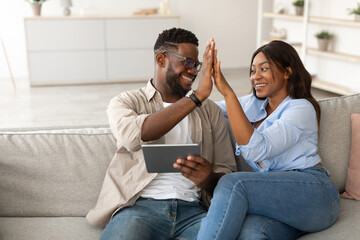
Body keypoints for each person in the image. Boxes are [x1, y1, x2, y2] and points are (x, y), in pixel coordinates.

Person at [86, 28, 237, 240]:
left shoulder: (210, 111)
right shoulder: (126, 102)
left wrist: (209, 179)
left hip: (194, 212)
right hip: (139, 209)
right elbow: (133, 136)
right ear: (161, 59)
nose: (194, 72)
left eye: (196, 65)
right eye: (188, 62)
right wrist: (197, 96)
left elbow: (228, 171)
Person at [195, 40, 340, 240]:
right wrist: (200, 87)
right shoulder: (252, 104)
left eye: (264, 69)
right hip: (281, 201)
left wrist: (228, 93)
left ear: (287, 71)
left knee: (233, 184)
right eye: (253, 71)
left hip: (316, 194)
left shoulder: (301, 108)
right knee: (251, 233)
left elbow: (256, 149)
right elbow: (207, 110)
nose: (256, 77)